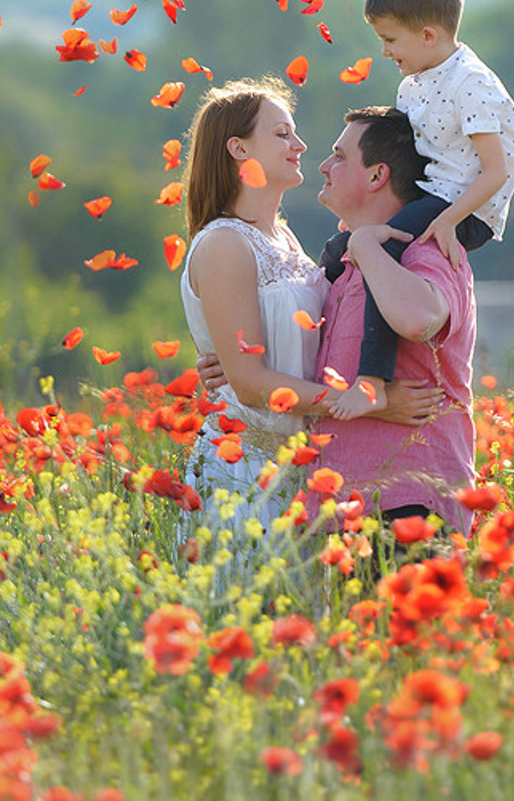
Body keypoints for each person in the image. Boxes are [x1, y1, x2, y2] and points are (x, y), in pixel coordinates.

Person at [179, 79, 438, 535]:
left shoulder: (283, 238)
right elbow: (250, 384)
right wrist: (367, 404)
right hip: (244, 470)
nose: (299, 145)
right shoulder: (224, 244)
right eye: (282, 134)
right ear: (238, 149)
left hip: (304, 470)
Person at [323, 0, 514, 422]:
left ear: (428, 35)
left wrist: (449, 220)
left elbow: (495, 172)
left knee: (379, 250)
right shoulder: (413, 84)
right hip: (433, 194)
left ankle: (372, 381)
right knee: (339, 250)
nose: (384, 51)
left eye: (390, 40)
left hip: (465, 207)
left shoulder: (471, 83)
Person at [314, 105, 477, 535]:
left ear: (376, 175)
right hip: (343, 510)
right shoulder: (340, 267)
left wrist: (367, 246)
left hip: (409, 506)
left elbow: (419, 319)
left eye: (339, 156)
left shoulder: (430, 249)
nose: (324, 166)